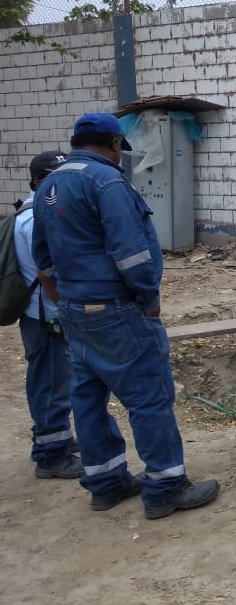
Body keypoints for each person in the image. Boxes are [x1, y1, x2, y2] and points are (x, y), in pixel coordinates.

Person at [32, 112, 219, 519]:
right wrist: (149, 297)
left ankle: (105, 482)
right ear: (115, 145)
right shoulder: (108, 182)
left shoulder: (50, 184)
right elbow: (132, 253)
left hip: (74, 310)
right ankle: (166, 486)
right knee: (150, 396)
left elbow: (42, 259)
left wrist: (65, 299)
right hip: (117, 309)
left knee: (88, 396)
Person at [14, 150, 84, 480]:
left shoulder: (32, 213)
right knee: (53, 381)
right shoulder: (33, 220)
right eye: (54, 177)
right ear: (38, 182)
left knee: (52, 378)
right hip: (46, 315)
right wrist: (64, 311)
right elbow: (47, 273)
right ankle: (51, 456)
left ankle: (52, 439)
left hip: (42, 312)